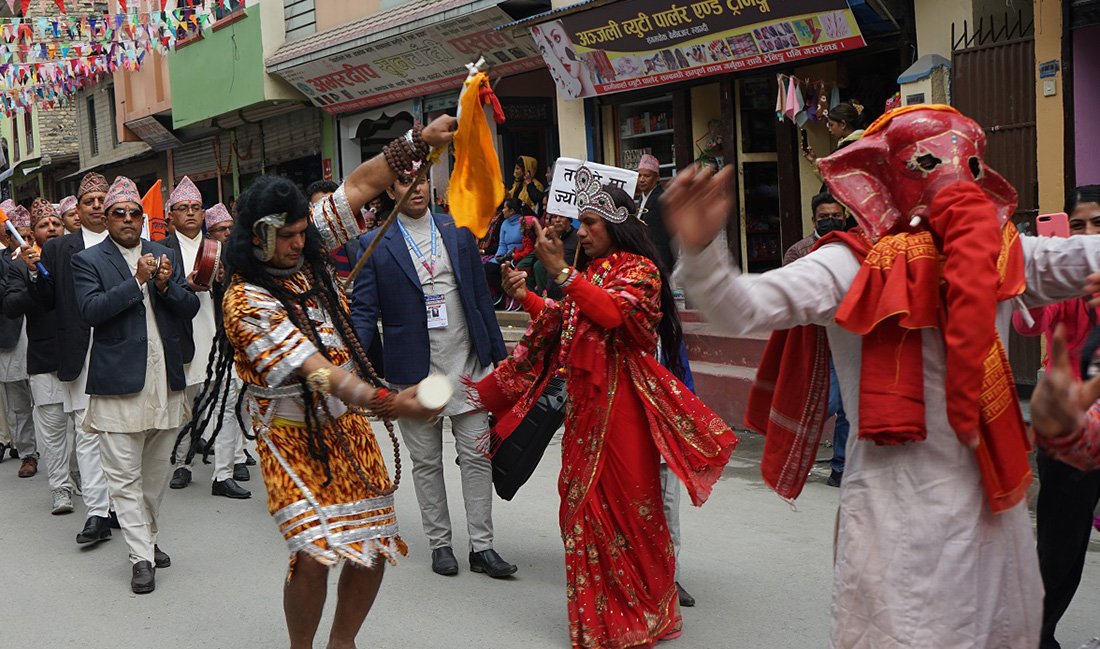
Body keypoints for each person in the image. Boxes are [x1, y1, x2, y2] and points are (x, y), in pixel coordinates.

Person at [666, 105, 1100, 648]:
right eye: (926, 161)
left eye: (967, 164)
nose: (948, 177)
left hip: (988, 503)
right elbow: (739, 307)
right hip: (895, 513)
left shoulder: (1003, 253)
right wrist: (702, 249)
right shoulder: (849, 265)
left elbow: (1085, 256)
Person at [189, 117, 453, 649]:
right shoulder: (244, 300)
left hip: (347, 428)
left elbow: (360, 185)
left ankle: (342, 642)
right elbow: (317, 370)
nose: (297, 242)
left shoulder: (305, 246)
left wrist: (418, 142)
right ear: (258, 236)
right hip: (291, 438)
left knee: (373, 544)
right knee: (314, 552)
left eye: (301, 232)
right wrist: (384, 400)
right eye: (285, 236)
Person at [480, 165, 737, 648]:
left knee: (630, 512)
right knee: (581, 512)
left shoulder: (638, 271)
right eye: (580, 223)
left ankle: (640, 615)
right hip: (585, 413)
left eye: (591, 223)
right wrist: (530, 297)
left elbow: (612, 314)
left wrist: (560, 272)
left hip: (624, 412)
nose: (581, 231)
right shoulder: (592, 271)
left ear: (616, 224)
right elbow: (569, 320)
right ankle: (597, 620)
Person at [350, 165, 513, 578]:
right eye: (405, 181)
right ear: (391, 189)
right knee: (426, 462)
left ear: (431, 183)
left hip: (468, 364)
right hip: (412, 372)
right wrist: (352, 363)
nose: (416, 188)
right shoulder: (372, 245)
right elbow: (366, 314)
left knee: (478, 456)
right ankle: (440, 544)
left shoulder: (458, 230)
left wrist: (498, 359)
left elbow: (480, 297)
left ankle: (483, 546)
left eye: (421, 179)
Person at [72, 176, 200, 594]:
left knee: (155, 474)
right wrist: (138, 282)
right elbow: (91, 311)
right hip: (118, 382)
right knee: (123, 477)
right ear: (106, 219)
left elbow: (189, 305)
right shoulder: (88, 261)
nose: (127, 219)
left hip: (165, 379)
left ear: (143, 219)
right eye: (118, 213)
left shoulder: (163, 254)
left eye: (134, 213)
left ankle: (147, 536)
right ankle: (140, 557)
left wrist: (164, 284)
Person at [1012, 184, 1100, 649]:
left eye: (1097, 226)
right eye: (1078, 225)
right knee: (1060, 545)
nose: (1087, 235)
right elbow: (1028, 325)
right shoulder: (1062, 280)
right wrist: (1029, 285)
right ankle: (1037, 637)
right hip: (1069, 427)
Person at [34, 172, 119, 545]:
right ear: (78, 209)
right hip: (78, 351)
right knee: (86, 433)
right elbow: (47, 302)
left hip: (122, 350)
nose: (98, 206)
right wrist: (35, 273)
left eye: (103, 200)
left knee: (120, 433)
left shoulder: (128, 240)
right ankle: (97, 513)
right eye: (90, 201)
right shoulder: (58, 249)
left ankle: (121, 506)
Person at [161, 177, 251, 499]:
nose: (190, 213)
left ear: (203, 214)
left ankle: (223, 474)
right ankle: (183, 464)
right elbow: (159, 298)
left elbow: (237, 295)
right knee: (186, 406)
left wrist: (223, 283)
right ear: (170, 215)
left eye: (196, 208)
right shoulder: (161, 251)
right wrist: (185, 284)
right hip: (182, 338)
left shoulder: (223, 250)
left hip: (220, 338)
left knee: (227, 403)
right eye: (182, 208)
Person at [4, 199, 71, 511]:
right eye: (44, 225)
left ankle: (81, 478)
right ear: (33, 232)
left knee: (83, 430)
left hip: (79, 356)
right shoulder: (20, 265)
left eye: (56, 223)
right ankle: (60, 488)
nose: (52, 228)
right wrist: (33, 275)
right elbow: (12, 306)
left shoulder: (78, 258)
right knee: (54, 429)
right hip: (44, 359)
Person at [783, 191, 851, 486]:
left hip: (852, 338)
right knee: (829, 401)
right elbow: (792, 294)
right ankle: (791, 445)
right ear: (814, 220)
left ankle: (841, 467)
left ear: (845, 217)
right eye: (824, 217)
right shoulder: (799, 252)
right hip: (817, 339)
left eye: (836, 216)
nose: (831, 221)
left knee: (849, 408)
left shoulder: (857, 246)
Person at [0, 200, 37, 479]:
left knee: (54, 403)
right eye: (18, 236)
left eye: (29, 237)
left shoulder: (44, 257)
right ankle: (27, 454)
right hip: (12, 336)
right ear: (5, 235)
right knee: (18, 401)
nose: (24, 242)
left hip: (45, 336)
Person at [636, 153, 675, 274]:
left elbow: (661, 238)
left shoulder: (660, 199)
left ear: (657, 177)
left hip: (659, 261)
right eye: (640, 175)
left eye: (647, 176)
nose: (642, 179)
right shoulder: (642, 198)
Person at [483, 198, 525, 305]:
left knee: (508, 267)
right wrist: (498, 257)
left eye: (505, 208)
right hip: (505, 254)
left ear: (512, 211)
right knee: (489, 267)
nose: (502, 210)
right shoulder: (505, 223)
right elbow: (502, 244)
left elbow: (526, 243)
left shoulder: (523, 222)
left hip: (518, 254)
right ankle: (503, 293)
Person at [532, 212, 580, 298]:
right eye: (554, 217)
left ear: (569, 220)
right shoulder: (548, 239)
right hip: (551, 293)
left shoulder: (578, 238)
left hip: (571, 292)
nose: (557, 220)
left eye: (562, 217)